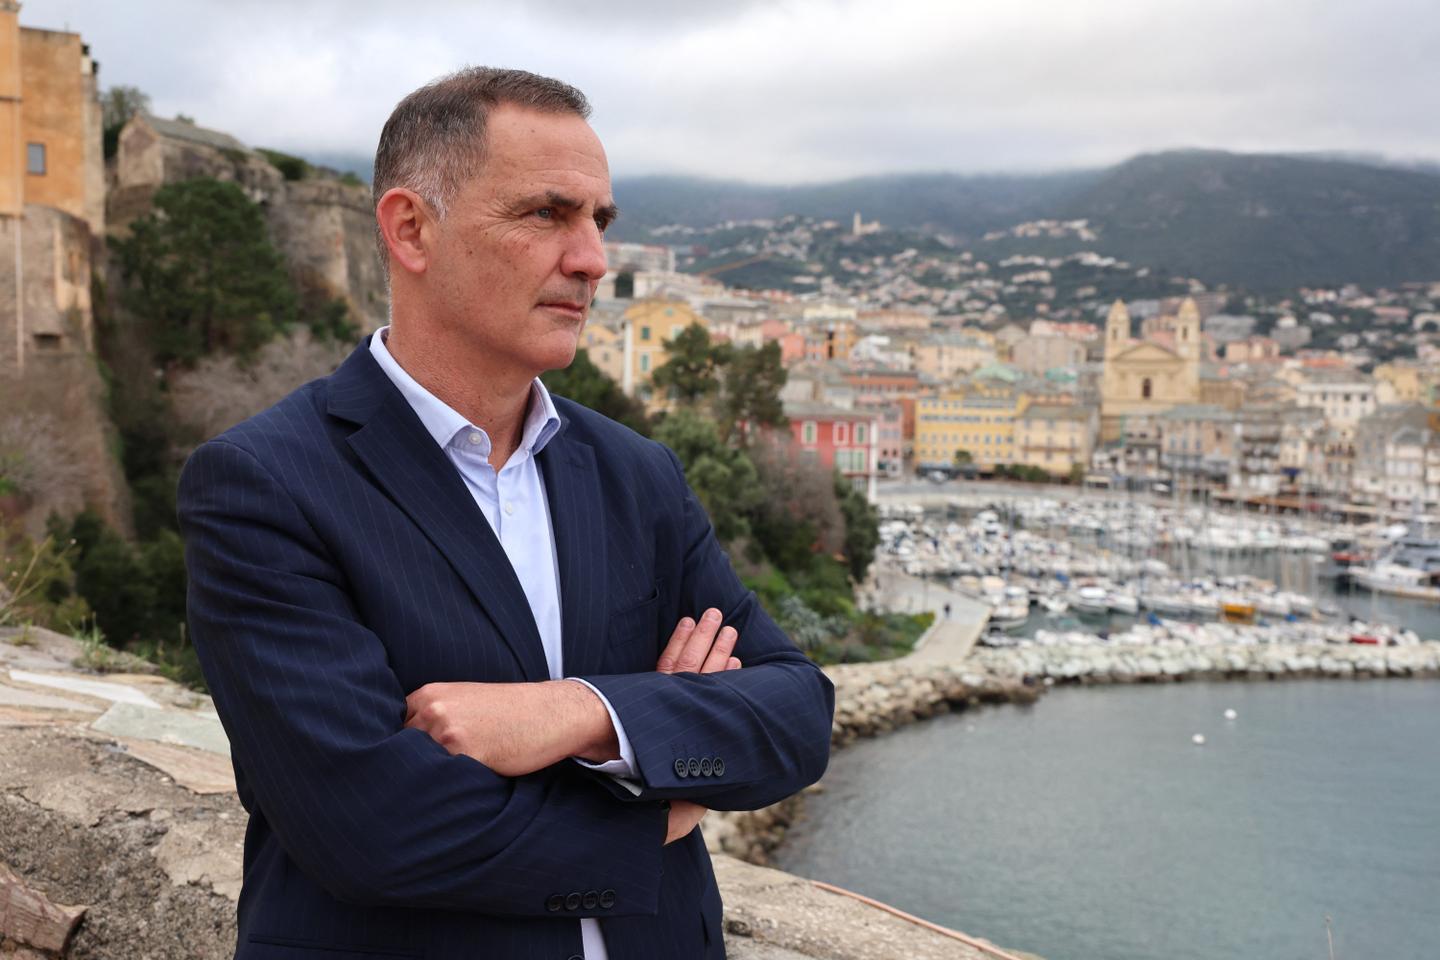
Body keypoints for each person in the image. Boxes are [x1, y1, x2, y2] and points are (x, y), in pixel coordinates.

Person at [177, 67, 834, 960]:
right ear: (412, 229)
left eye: (598, 221)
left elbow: (795, 715)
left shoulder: (635, 475)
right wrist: (666, 797)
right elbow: (374, 829)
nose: (593, 260)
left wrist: (582, 714)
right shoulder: (264, 484)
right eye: (544, 214)